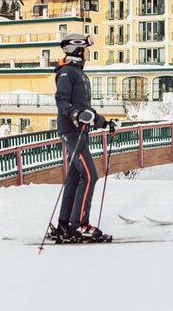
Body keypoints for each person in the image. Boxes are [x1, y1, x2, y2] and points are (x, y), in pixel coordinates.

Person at [49, 33, 116, 242]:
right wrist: (75, 115)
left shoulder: (79, 75)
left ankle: (65, 224)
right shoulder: (67, 73)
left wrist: (102, 122)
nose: (87, 53)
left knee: (76, 177)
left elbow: (84, 108)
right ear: (77, 50)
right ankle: (78, 225)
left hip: (80, 132)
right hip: (71, 132)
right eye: (85, 49)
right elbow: (61, 100)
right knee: (90, 176)